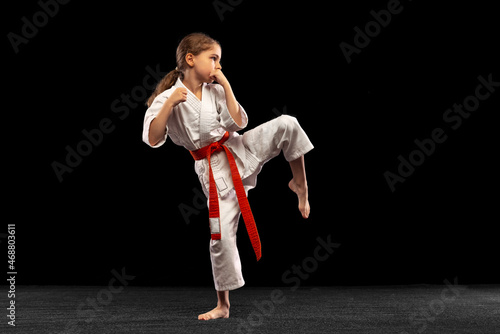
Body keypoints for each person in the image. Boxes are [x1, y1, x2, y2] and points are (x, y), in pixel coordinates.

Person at [142, 32, 313, 320]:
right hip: (215, 170)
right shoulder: (165, 99)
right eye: (214, 59)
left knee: (288, 123)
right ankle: (223, 305)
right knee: (220, 236)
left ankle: (300, 184)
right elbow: (152, 138)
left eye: (219, 60)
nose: (218, 65)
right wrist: (170, 103)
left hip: (239, 147)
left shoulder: (215, 90)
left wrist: (226, 84)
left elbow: (238, 121)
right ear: (190, 59)